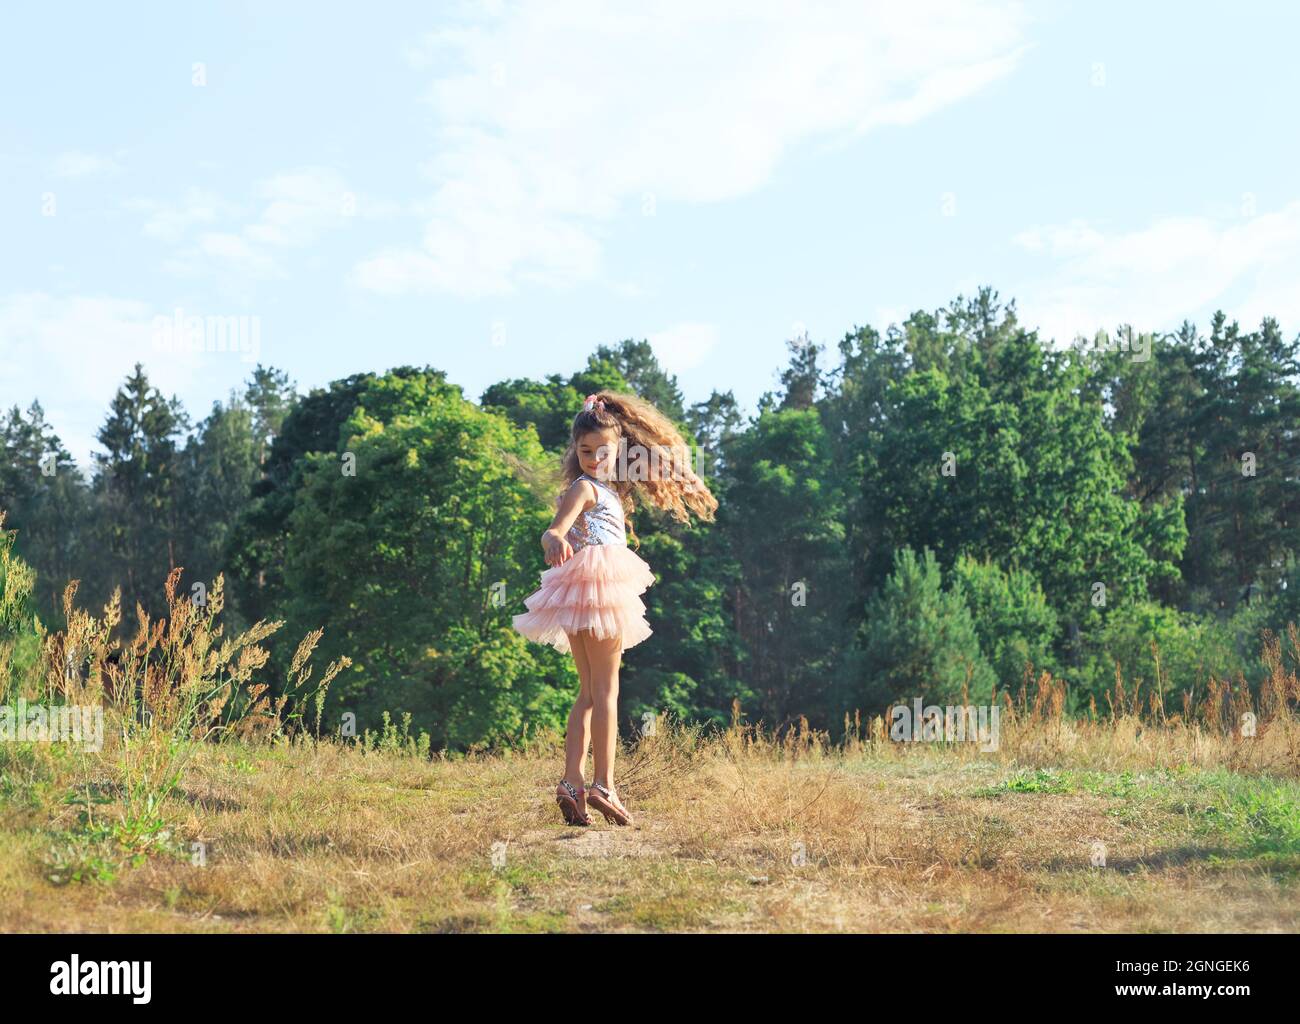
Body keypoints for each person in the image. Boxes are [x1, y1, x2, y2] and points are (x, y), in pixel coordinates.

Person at [512, 390, 718, 827]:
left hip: (578, 591)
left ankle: (571, 782)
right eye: (584, 451)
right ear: (576, 451)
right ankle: (603, 784)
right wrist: (552, 538)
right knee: (606, 691)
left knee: (588, 693)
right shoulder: (584, 488)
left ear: (618, 451)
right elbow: (557, 527)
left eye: (602, 451)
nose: (592, 458)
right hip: (597, 589)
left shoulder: (604, 491)